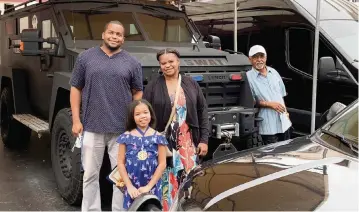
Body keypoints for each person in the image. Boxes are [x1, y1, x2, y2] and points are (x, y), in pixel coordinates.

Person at [69, 20, 143, 211]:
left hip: (121, 129)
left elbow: (138, 92)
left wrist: (133, 121)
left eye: (119, 34)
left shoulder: (132, 63)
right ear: (103, 34)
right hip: (91, 126)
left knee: (121, 175)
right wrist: (76, 120)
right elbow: (76, 88)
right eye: (111, 33)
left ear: (123, 39)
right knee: (90, 175)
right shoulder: (85, 58)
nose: (114, 37)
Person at [143, 48, 209, 211]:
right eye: (163, 63)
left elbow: (202, 111)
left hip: (188, 144)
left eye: (171, 61)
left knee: (190, 182)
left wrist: (204, 140)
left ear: (178, 62)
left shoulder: (190, 83)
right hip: (163, 145)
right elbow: (144, 114)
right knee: (166, 181)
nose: (167, 65)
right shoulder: (153, 86)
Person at [116, 99, 167, 210]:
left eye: (145, 112)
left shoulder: (158, 137)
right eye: (137, 114)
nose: (142, 116)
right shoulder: (125, 137)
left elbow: (162, 164)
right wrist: (129, 186)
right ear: (132, 117)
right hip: (132, 187)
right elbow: (120, 162)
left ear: (151, 114)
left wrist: (149, 186)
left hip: (152, 186)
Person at [246, 45, 292, 144]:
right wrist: (270, 104)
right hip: (268, 126)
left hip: (284, 122)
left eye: (261, 56)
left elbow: (281, 95)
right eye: (255, 57)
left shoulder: (274, 72)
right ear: (250, 59)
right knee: (272, 156)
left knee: (287, 153)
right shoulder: (248, 77)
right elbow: (251, 101)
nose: (259, 60)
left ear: (266, 57)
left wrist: (286, 113)